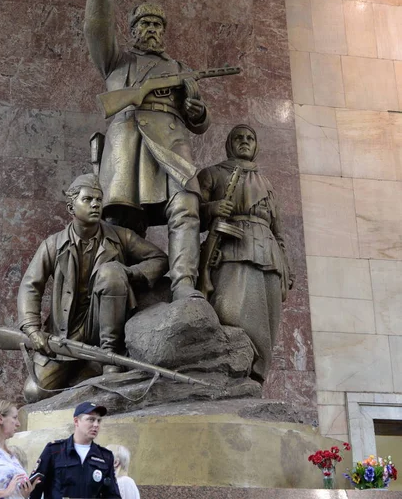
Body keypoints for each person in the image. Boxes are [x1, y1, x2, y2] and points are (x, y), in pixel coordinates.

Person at [83, 0, 210, 303]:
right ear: (133, 30)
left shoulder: (180, 69)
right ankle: (117, 289)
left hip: (171, 144)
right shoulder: (116, 61)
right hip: (129, 145)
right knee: (123, 222)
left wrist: (196, 107)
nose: (152, 28)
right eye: (144, 23)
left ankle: (184, 284)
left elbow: (198, 118)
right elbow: (96, 29)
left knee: (186, 208)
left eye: (157, 24)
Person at [17, 173, 168, 402]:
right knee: (34, 392)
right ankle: (85, 371)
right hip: (64, 334)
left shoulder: (121, 236)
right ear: (71, 207)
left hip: (104, 325)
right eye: (88, 199)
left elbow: (159, 258)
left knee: (111, 272)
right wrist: (32, 330)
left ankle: (109, 359)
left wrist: (129, 273)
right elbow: (30, 286)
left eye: (99, 199)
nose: (96, 204)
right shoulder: (53, 244)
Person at [198, 125, 294, 383]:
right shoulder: (212, 174)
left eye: (250, 138)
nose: (244, 141)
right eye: (238, 137)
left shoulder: (267, 183)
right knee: (233, 314)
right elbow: (186, 216)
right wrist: (212, 209)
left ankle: (253, 379)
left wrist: (287, 270)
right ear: (229, 143)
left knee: (268, 322)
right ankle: (230, 373)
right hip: (232, 251)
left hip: (268, 256)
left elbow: (279, 230)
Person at [29, 402, 120, 499]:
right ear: (76, 421)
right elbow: (35, 488)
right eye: (91, 420)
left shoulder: (105, 456)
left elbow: (112, 495)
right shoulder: (54, 450)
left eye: (99, 421)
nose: (96, 425)